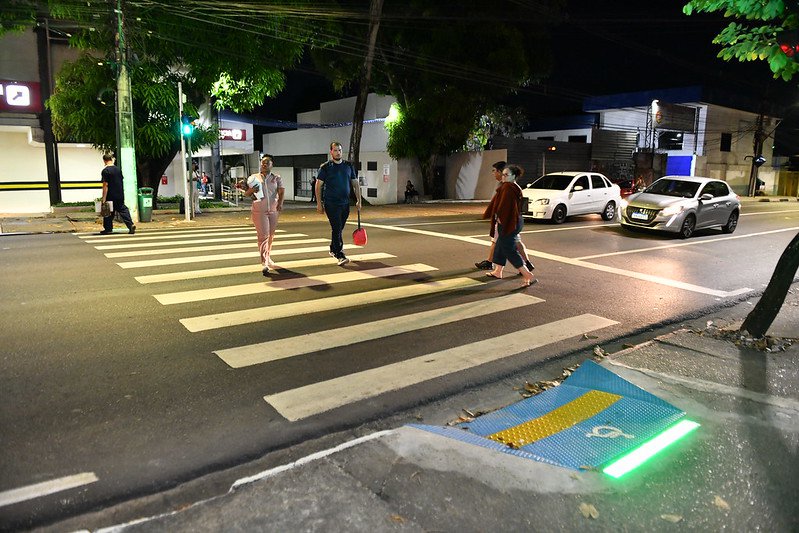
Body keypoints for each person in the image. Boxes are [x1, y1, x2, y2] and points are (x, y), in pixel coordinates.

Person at [482, 164, 537, 288]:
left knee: (509, 249)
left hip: (508, 222)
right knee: (501, 246)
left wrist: (500, 219)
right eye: (503, 174)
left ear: (514, 176)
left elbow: (504, 207)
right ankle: (498, 271)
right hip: (515, 221)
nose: (503, 176)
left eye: (506, 175)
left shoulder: (508, 187)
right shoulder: (514, 186)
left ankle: (526, 273)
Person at [315, 141, 362, 266]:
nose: (338, 152)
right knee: (337, 228)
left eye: (340, 150)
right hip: (331, 203)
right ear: (331, 152)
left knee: (339, 228)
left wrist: (359, 200)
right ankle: (340, 254)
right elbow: (318, 185)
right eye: (335, 150)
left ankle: (332, 248)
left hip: (345, 203)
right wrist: (319, 203)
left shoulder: (348, 166)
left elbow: (355, 183)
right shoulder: (325, 167)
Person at [241, 155, 285, 275]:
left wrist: (280, 204)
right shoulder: (253, 177)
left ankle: (268, 256)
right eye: (262, 162)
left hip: (273, 210)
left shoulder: (276, 178)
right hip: (259, 210)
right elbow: (246, 194)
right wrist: (251, 191)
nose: (264, 164)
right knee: (263, 236)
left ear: (272, 164)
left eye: (267, 162)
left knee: (270, 235)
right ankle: (264, 262)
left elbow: (281, 191)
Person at [99, 153, 135, 235]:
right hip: (120, 194)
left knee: (107, 211)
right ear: (111, 160)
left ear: (104, 161)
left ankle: (108, 229)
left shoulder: (105, 171)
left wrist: (103, 198)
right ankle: (130, 225)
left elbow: (105, 185)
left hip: (110, 195)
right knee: (123, 209)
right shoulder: (118, 169)